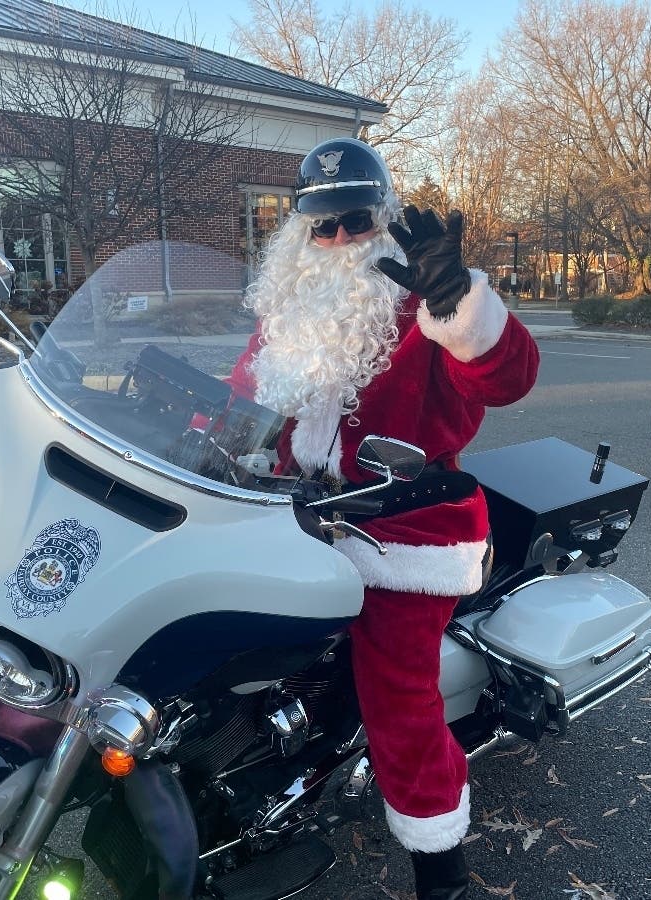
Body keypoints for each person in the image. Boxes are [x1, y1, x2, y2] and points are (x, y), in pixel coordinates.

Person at [224, 137, 540, 899]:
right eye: (319, 223)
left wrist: (458, 300)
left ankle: (441, 870)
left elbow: (511, 376)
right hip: (294, 510)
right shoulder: (286, 311)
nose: (336, 239)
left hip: (405, 525)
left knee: (396, 692)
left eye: (354, 220)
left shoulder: (426, 305)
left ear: (383, 217)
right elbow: (241, 403)